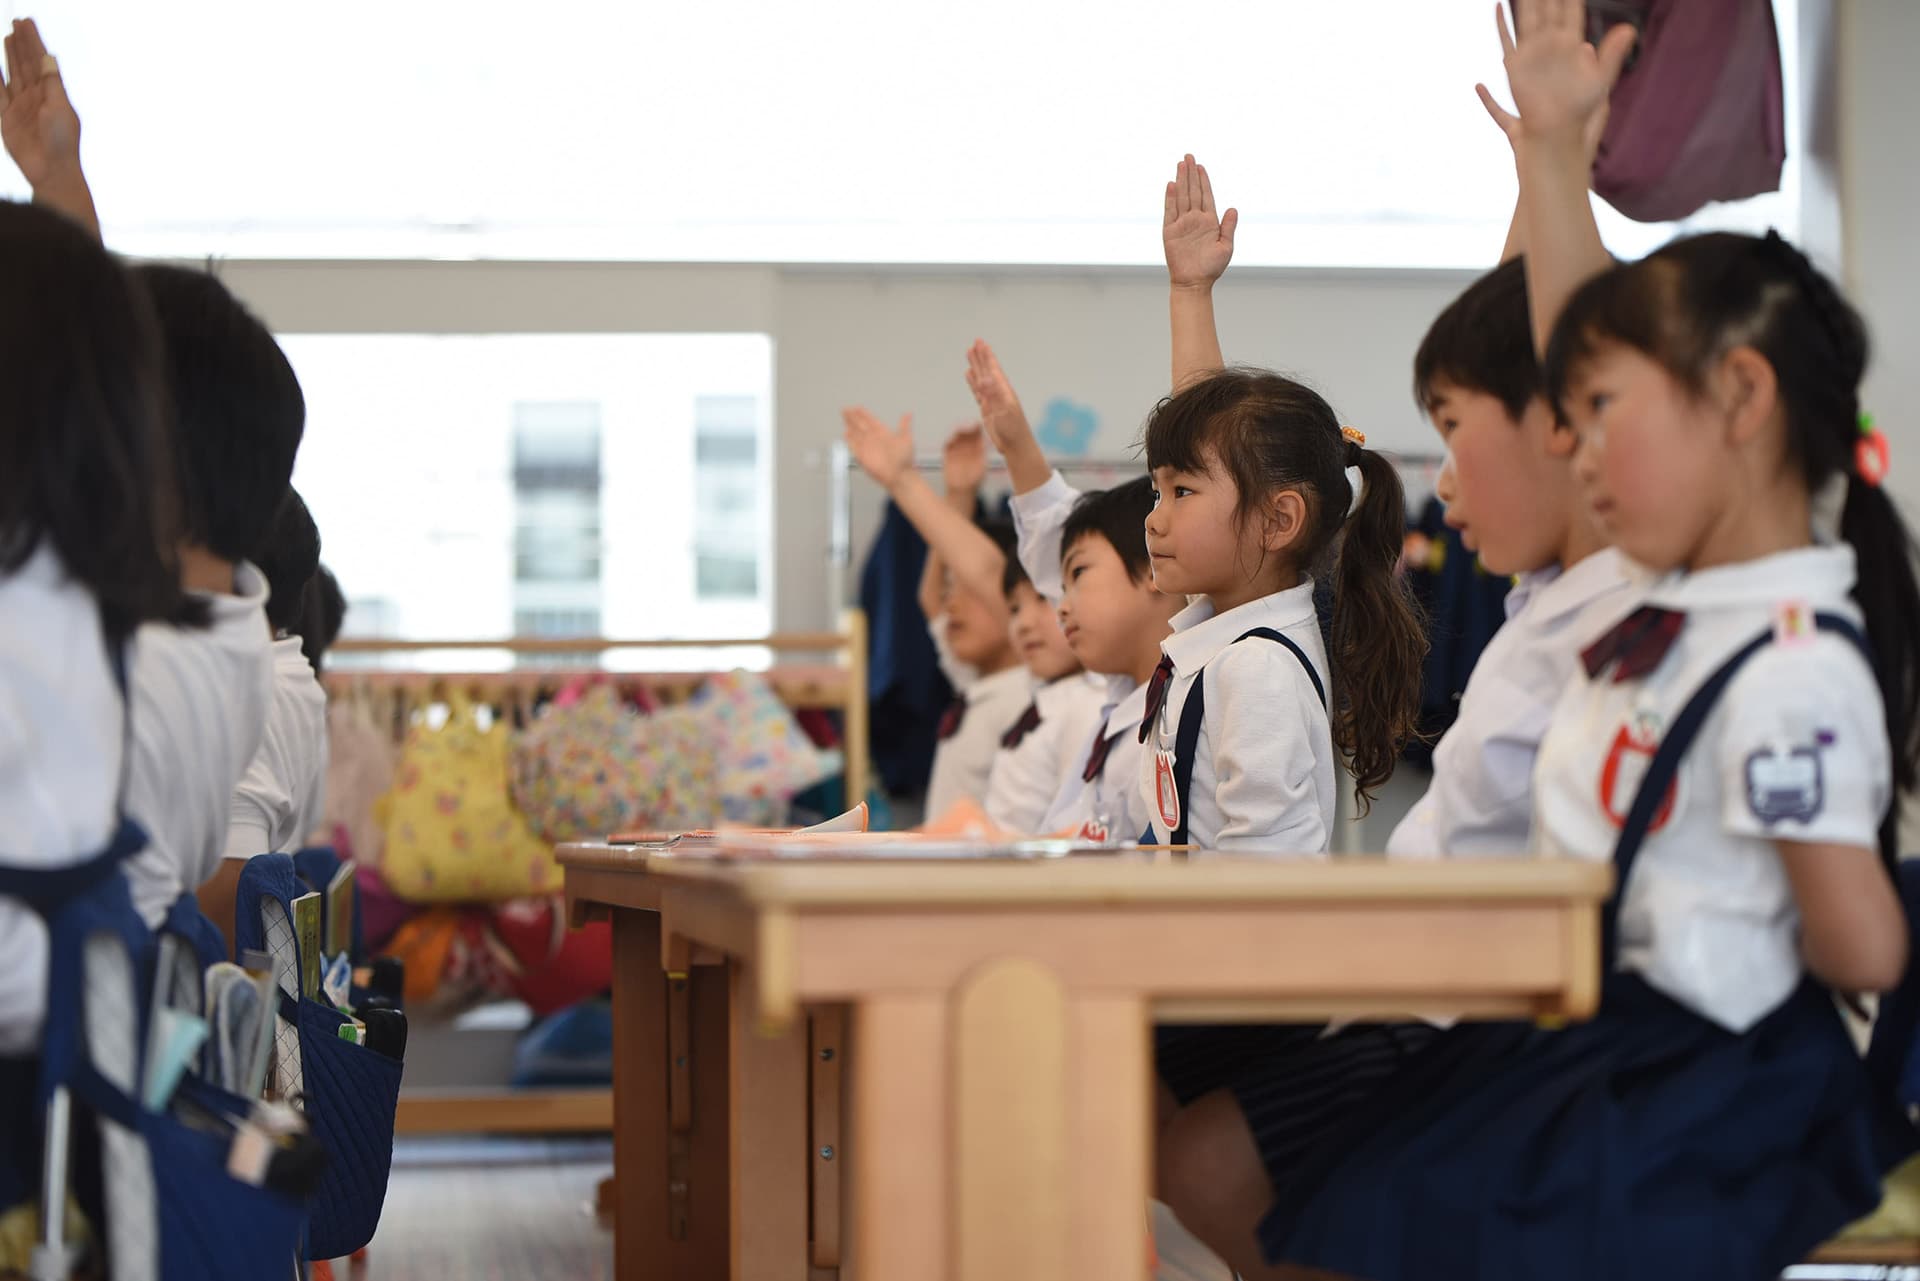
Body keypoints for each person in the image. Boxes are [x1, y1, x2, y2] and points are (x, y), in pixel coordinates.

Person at [1264, 5, 1920, 1277]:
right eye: (1572, 413)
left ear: (1740, 401)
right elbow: (1569, 343)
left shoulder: (1783, 655)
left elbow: (1863, 951)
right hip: (1605, 1043)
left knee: (1417, 1211)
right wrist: (1554, 161)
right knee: (1369, 1208)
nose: (1576, 442)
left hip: (1703, 1080)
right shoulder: (1664, 604)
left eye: (1604, 413)